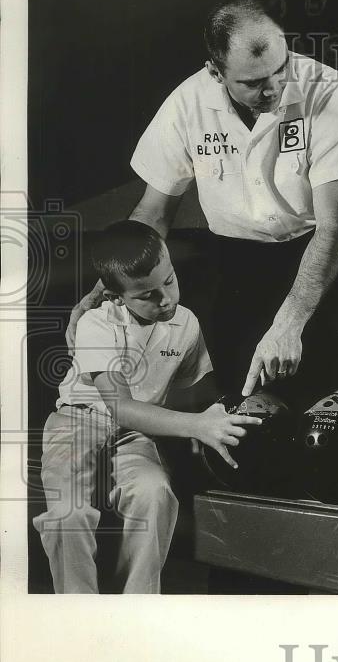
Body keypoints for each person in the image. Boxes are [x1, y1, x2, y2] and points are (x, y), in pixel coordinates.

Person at [67, 0, 338, 403]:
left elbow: (336, 225)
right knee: (239, 392)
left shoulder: (329, 92)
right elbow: (153, 214)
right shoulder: (187, 103)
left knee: (318, 391)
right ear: (215, 71)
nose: (274, 88)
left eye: (281, 69)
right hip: (237, 260)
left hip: (317, 250)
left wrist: (290, 323)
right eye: (253, 82)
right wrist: (107, 286)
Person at [33, 220, 259, 593]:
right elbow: (120, 406)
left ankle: (137, 612)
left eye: (168, 281)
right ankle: (76, 614)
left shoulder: (186, 324)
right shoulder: (96, 324)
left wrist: (219, 418)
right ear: (116, 295)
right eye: (147, 295)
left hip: (136, 434)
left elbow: (197, 392)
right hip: (77, 422)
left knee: (155, 495)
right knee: (67, 513)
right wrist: (197, 426)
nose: (165, 299)